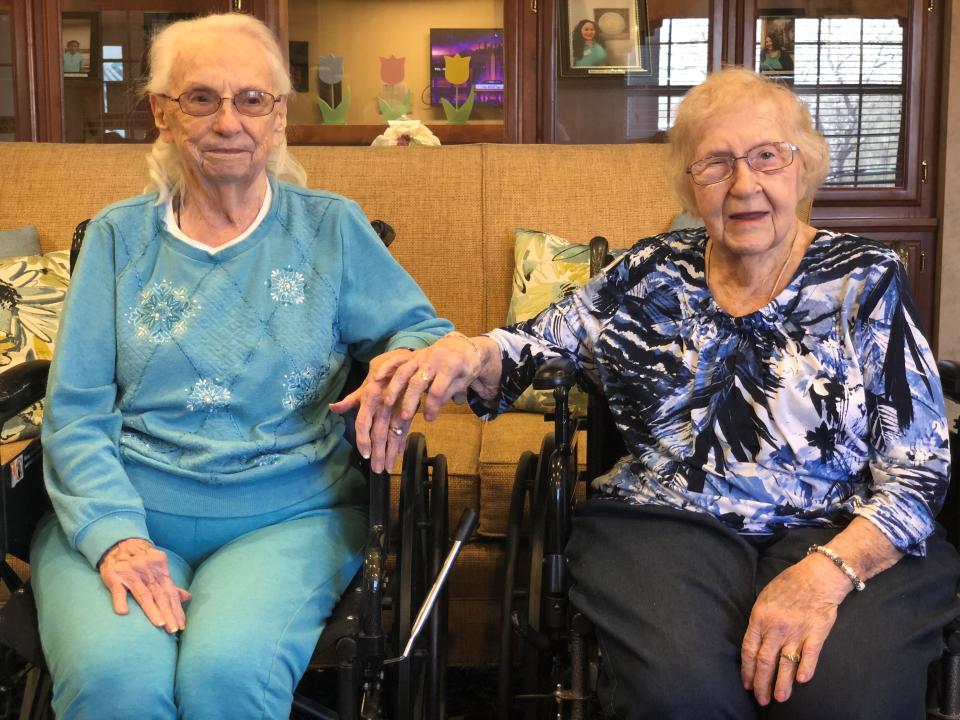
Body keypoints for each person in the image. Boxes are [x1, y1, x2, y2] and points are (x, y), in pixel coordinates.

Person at [340, 67, 960, 718]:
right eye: (716, 165)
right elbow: (536, 346)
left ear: (803, 167)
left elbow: (918, 473)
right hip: (667, 523)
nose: (744, 184)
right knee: (682, 694)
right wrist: (463, 351)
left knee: (846, 696)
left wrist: (827, 571)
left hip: (840, 527)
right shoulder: (652, 270)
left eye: (766, 157)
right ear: (690, 184)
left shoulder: (866, 279)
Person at [31, 13, 450, 720]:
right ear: (163, 113)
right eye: (202, 98)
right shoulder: (115, 238)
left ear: (279, 118)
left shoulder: (330, 229)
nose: (230, 120)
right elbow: (74, 410)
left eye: (253, 100)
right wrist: (116, 536)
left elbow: (421, 331)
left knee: (226, 678)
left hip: (288, 515)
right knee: (115, 680)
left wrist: (400, 365)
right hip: (126, 509)